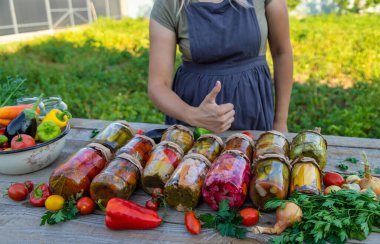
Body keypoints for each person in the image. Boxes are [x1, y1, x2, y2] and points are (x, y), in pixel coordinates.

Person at [148, 0, 293, 134]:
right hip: (193, 128)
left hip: (255, 117)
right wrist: (193, 115)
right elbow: (158, 84)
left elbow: (282, 53)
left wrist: (280, 122)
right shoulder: (169, 3)